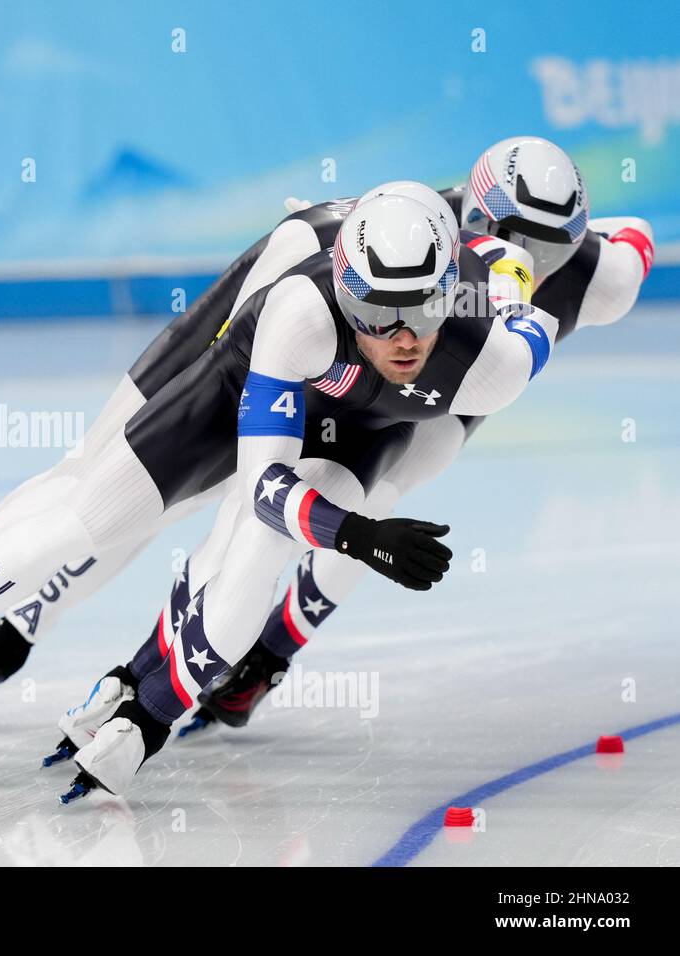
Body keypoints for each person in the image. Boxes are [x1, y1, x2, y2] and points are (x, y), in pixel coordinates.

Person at [52, 192, 559, 800]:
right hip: (325, 394)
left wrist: (508, 286)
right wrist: (357, 536)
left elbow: (529, 319)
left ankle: (172, 699)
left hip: (386, 429)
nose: (402, 338)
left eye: (423, 310)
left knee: (265, 543)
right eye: (377, 312)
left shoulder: (498, 360)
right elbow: (267, 487)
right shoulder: (307, 305)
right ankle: (137, 679)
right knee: (239, 528)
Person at [182, 136, 653, 736]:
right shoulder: (431, 233)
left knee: (377, 494)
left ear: (580, 237)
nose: (527, 258)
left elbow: (633, 237)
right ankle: (229, 643)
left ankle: (269, 655)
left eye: (552, 243)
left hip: (449, 400)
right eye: (512, 234)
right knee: (263, 495)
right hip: (381, 369)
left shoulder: (603, 277)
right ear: (474, 215)